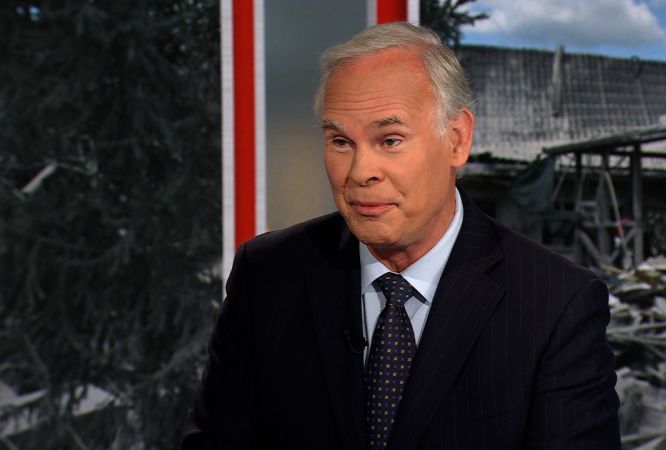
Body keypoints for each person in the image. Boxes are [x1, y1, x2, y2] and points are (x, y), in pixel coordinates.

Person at [182, 22, 620, 450]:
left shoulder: (556, 303)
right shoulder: (267, 276)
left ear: (457, 139)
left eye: (389, 140)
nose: (360, 173)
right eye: (340, 142)